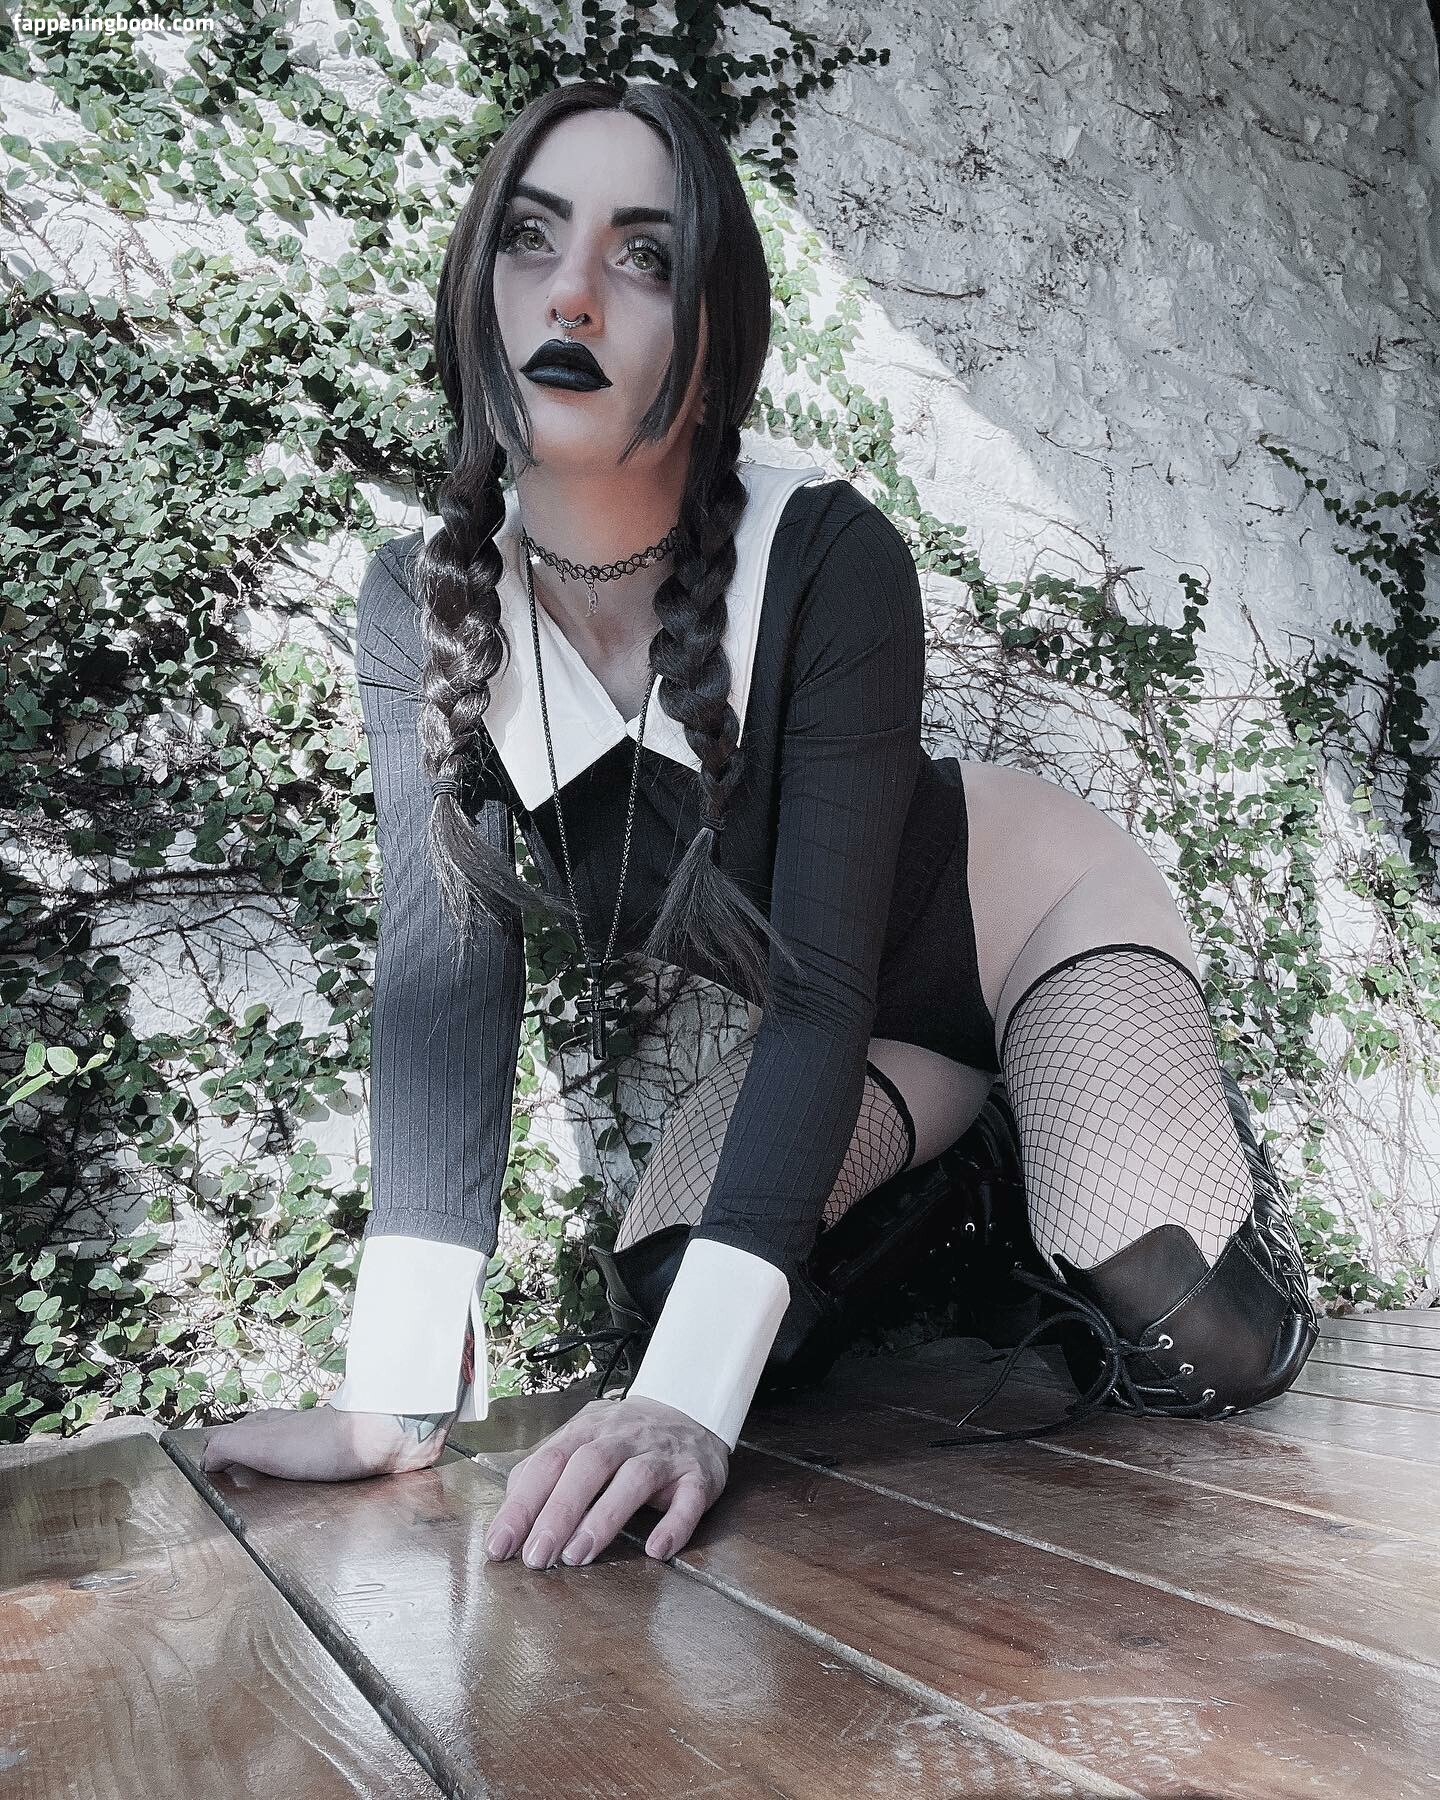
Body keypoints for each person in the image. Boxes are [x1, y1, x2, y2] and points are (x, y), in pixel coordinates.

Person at [202, 80, 1317, 1565]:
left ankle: (1086, 1153)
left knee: (1195, 1333)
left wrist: (690, 1410)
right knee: (681, 1293)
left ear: (715, 329)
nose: (575, 293)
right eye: (532, 237)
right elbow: (442, 981)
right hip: (878, 1038)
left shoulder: (830, 553)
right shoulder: (424, 604)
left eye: (644, 256)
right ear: (476, 284)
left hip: (1032, 928)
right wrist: (393, 1396)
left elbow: (812, 986)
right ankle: (973, 1179)